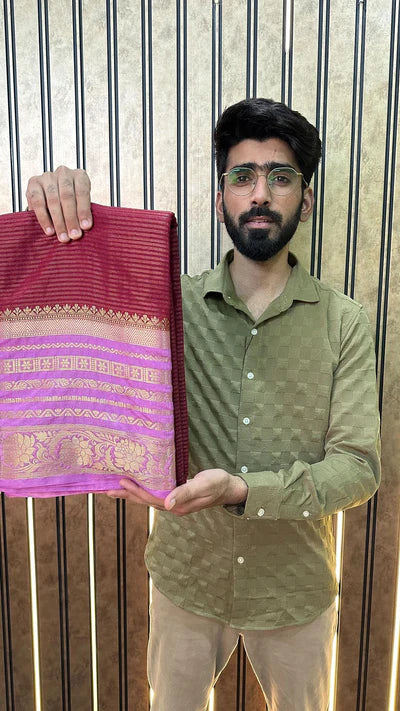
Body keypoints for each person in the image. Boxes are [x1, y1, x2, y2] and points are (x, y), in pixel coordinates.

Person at [25, 98, 380, 711]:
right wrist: (60, 208)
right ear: (220, 200)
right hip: (184, 579)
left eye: (281, 176)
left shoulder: (344, 323)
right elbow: (76, 306)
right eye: (242, 177)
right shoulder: (166, 307)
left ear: (307, 198)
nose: (260, 193)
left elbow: (357, 468)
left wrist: (241, 489)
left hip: (294, 591)